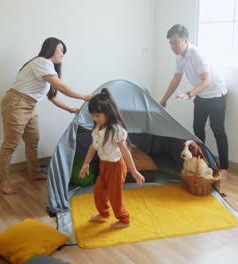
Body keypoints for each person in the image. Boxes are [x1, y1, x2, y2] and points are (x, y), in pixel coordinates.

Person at [0, 37, 92, 195]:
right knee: (10, 145)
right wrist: (84, 96)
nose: (63, 54)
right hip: (16, 103)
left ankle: (34, 173)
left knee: (33, 141)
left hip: (30, 105)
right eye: (61, 49)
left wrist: (70, 109)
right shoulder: (41, 62)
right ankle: (3, 181)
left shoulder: (48, 70)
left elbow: (53, 97)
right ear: (51, 47)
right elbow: (61, 87)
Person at [159, 24, 229, 182]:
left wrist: (190, 94)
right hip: (201, 95)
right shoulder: (180, 57)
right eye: (170, 43)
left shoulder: (198, 55)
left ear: (185, 40)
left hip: (216, 94)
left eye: (175, 42)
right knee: (197, 129)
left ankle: (224, 169)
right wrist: (164, 99)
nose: (172, 46)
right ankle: (201, 161)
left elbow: (207, 81)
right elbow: (176, 79)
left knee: (218, 130)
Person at [78, 88, 145, 229]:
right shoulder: (97, 128)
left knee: (115, 196)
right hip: (104, 165)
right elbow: (93, 147)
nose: (95, 119)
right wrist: (86, 163)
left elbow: (125, 150)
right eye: (93, 116)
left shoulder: (116, 130)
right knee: (98, 191)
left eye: (98, 116)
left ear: (108, 113)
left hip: (116, 166)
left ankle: (124, 219)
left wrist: (134, 171)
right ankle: (104, 213)